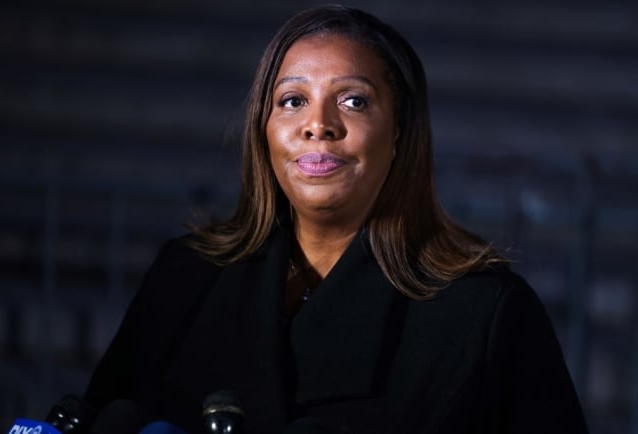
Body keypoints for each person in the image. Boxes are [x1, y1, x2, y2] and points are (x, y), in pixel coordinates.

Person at [83, 5, 589, 433]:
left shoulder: (486, 311)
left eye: (353, 101)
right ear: (264, 129)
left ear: (398, 132)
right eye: (293, 101)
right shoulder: (185, 276)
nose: (318, 126)